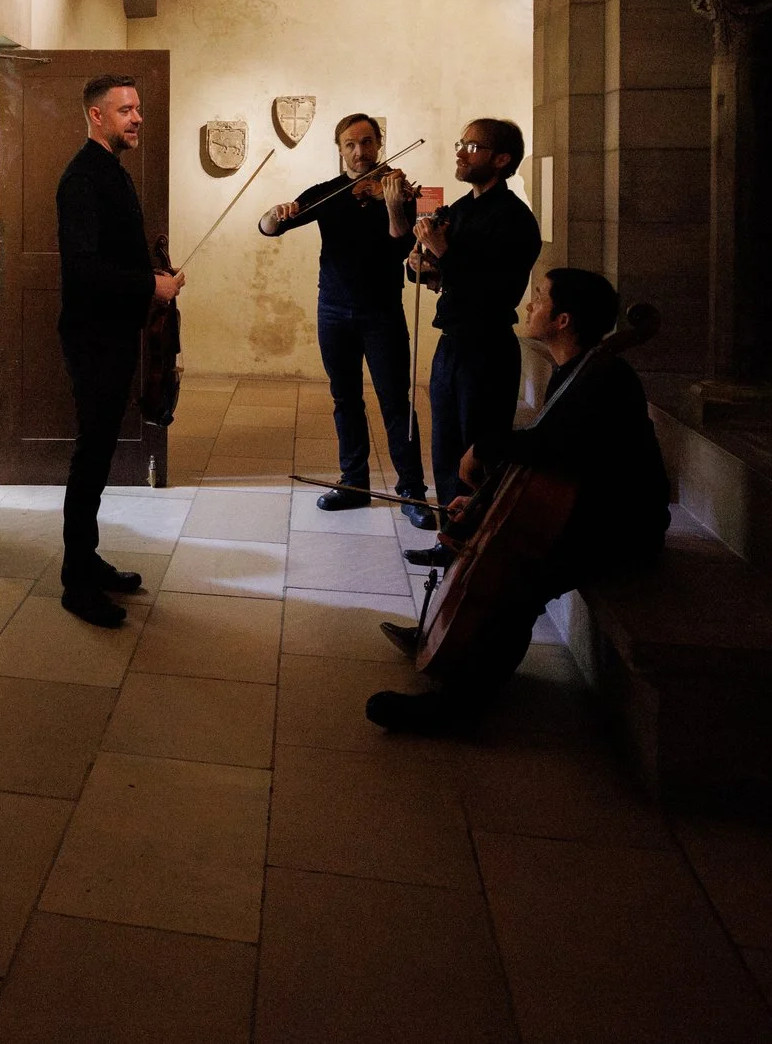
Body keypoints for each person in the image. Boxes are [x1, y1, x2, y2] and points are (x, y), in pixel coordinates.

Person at [367, 266, 671, 735]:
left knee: (520, 577)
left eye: (541, 298)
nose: (529, 305)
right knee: (494, 543)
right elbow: (545, 455)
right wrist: (482, 502)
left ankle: (461, 708)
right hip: (590, 508)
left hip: (625, 526)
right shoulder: (576, 370)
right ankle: (448, 642)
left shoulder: (605, 377)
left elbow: (556, 449)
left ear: (563, 320)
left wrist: (484, 448)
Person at [57, 73, 184, 628]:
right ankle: (76, 582)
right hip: (94, 338)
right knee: (91, 457)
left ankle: (87, 559)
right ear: (96, 115)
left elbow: (115, 254)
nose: (137, 118)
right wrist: (149, 286)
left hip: (113, 332)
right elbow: (83, 269)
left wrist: (153, 277)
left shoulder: (111, 169)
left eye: (138, 109)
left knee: (101, 452)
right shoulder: (82, 178)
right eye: (126, 110)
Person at [259, 113, 425, 511]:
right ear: (340, 150)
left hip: (381, 311)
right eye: (350, 144)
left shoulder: (400, 192)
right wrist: (275, 213)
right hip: (333, 309)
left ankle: (412, 490)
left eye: (367, 142)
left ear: (379, 144)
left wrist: (393, 205)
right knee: (345, 398)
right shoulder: (329, 193)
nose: (359, 151)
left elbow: (401, 246)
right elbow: (268, 228)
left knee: (394, 400)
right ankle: (354, 483)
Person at [400, 119, 540, 533]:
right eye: (461, 143)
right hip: (452, 343)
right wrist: (420, 264)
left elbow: (495, 287)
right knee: (445, 447)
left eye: (473, 147)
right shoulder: (459, 210)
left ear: (501, 159)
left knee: (476, 452)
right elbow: (440, 272)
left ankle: (478, 543)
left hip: (487, 347)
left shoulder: (514, 219)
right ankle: (451, 538)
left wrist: (443, 253)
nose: (461, 153)